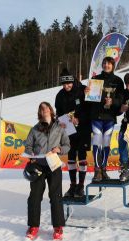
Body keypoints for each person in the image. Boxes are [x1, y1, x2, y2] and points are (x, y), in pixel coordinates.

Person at [24, 102, 70, 240]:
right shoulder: (35, 129)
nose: (43, 110)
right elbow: (28, 146)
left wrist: (60, 149)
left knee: (56, 196)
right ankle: (33, 226)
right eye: (41, 109)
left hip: (54, 164)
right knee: (34, 196)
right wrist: (31, 155)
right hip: (38, 165)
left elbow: (67, 145)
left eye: (45, 108)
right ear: (40, 113)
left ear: (50, 110)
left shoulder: (60, 127)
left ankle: (58, 227)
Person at [85, 57, 125, 182]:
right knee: (97, 141)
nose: (106, 65)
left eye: (109, 63)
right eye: (104, 63)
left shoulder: (118, 81)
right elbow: (88, 99)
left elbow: (121, 99)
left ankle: (103, 169)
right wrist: (86, 92)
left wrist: (113, 101)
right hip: (96, 116)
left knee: (106, 143)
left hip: (110, 117)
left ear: (113, 65)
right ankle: (97, 170)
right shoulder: (95, 79)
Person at [55, 69, 91, 198]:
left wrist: (79, 119)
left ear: (72, 80)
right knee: (70, 157)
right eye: (64, 84)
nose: (66, 86)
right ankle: (72, 185)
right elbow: (58, 112)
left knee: (82, 156)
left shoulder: (83, 89)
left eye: (68, 83)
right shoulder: (60, 95)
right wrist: (61, 121)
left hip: (83, 128)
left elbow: (90, 109)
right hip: (69, 130)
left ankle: (81, 186)